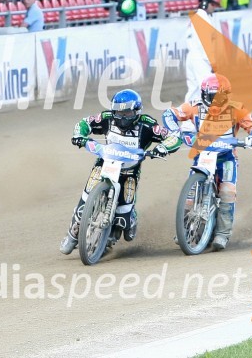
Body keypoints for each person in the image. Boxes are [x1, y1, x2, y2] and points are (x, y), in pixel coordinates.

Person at [59, 90, 181, 255]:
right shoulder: (107, 118)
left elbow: (174, 137)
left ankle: (114, 233)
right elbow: (84, 122)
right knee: (86, 199)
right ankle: (73, 232)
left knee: (125, 216)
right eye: (118, 112)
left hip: (130, 171)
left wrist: (162, 148)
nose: (122, 117)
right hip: (104, 163)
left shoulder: (148, 125)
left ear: (137, 112)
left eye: (127, 112)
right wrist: (79, 135)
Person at [162, 74, 252, 250]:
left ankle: (222, 234)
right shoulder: (194, 106)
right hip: (202, 155)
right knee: (190, 195)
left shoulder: (237, 109)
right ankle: (185, 229)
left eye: (221, 98)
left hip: (226, 158)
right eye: (212, 97)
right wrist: (174, 131)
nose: (216, 102)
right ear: (204, 94)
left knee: (227, 193)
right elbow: (169, 113)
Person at [185, 0, 218, 103]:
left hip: (191, 56)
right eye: (212, 4)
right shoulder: (203, 17)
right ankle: (207, 116)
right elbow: (205, 42)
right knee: (207, 88)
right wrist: (212, 61)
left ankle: (186, 118)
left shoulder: (195, 16)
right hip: (200, 58)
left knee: (193, 89)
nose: (214, 7)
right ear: (206, 4)